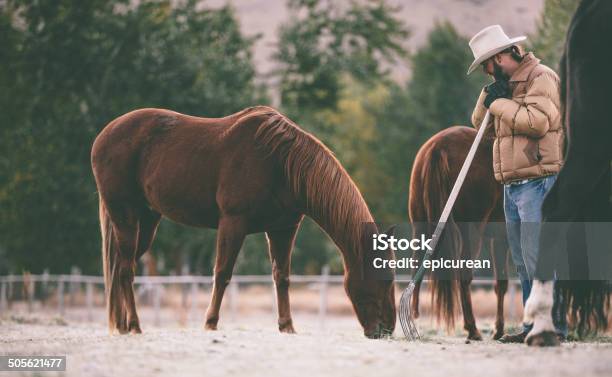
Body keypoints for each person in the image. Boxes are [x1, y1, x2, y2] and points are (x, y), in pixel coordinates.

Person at [467, 25, 567, 343]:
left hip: (539, 181)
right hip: (512, 184)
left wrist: (499, 104)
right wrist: (489, 98)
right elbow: (478, 124)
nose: (485, 71)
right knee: (523, 260)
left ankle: (552, 326)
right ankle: (531, 325)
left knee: (539, 257)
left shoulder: (542, 78)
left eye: (486, 64)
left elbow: (537, 123)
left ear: (501, 57)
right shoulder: (504, 85)